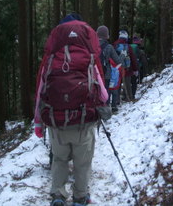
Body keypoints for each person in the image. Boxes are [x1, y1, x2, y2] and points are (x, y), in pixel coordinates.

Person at [34, 13, 111, 206]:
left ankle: (58, 195)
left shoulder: (51, 60)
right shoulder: (89, 60)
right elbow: (102, 93)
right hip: (83, 121)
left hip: (57, 123)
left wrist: (38, 122)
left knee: (59, 160)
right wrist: (103, 106)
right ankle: (80, 198)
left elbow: (40, 92)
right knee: (82, 163)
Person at [96, 25, 122, 113]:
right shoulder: (109, 47)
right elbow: (118, 61)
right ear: (107, 35)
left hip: (94, 73)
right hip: (105, 73)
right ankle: (105, 111)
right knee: (105, 92)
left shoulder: (92, 45)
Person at [113, 30, 139, 102]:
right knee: (127, 83)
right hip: (127, 68)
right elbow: (133, 58)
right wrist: (135, 69)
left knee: (117, 84)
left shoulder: (115, 45)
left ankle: (116, 100)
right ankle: (129, 97)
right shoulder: (128, 46)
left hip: (117, 68)